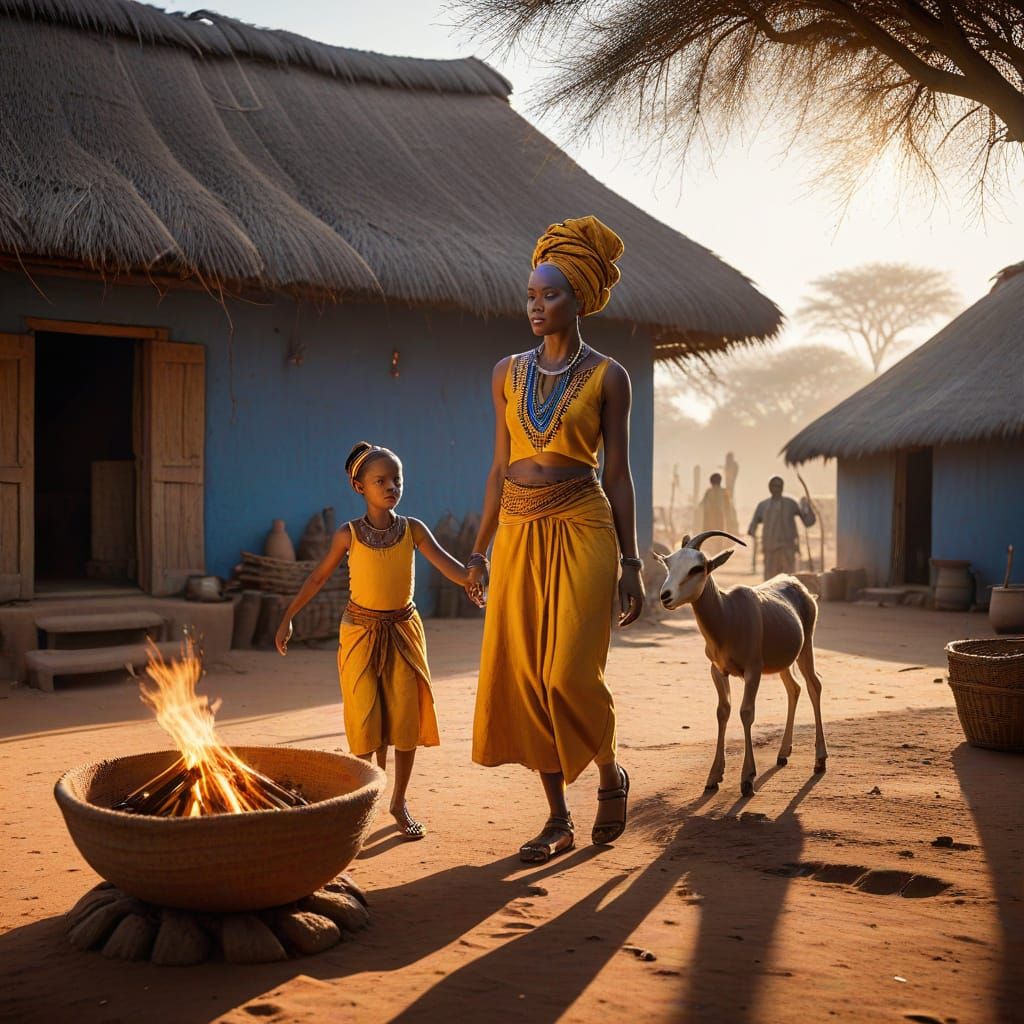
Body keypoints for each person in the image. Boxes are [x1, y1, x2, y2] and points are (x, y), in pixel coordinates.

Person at [466, 215, 644, 864]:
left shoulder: (609, 378)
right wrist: (479, 550)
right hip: (516, 526)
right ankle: (558, 819)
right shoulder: (504, 373)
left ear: (581, 298)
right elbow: (496, 467)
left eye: (552, 294)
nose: (537, 307)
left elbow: (619, 476)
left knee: (569, 671)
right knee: (527, 677)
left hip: (583, 525)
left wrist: (630, 561)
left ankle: (609, 773)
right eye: (531, 296)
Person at [275, 442, 471, 840]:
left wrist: (474, 577)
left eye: (396, 479)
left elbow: (449, 565)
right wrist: (288, 617)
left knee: (404, 721)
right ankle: (359, 804)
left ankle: (399, 802)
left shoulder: (414, 529)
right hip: (361, 634)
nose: (391, 486)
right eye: (380, 480)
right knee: (364, 723)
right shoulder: (347, 535)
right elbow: (316, 578)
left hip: (403, 632)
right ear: (358, 487)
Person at [747, 476, 816, 579]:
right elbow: (752, 526)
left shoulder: (791, 504)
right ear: (769, 487)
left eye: (779, 486)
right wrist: (753, 532)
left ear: (782, 487)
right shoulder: (763, 506)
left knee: (788, 580)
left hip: (788, 549)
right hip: (770, 550)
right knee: (770, 581)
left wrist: (807, 506)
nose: (776, 488)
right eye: (774, 486)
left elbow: (808, 522)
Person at [697, 472, 739, 554]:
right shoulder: (724, 492)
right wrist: (730, 519)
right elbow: (728, 507)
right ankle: (717, 552)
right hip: (720, 516)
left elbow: (701, 505)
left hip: (709, 517)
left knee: (709, 535)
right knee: (719, 534)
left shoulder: (708, 492)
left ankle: (712, 552)